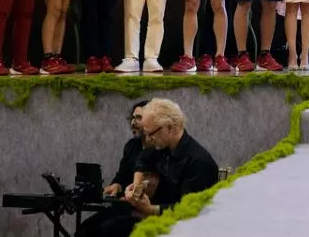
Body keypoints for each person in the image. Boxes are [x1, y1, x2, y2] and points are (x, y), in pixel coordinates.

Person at [94, 99, 219, 237]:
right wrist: (136, 186)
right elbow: (142, 160)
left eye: (150, 134)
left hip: (180, 227)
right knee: (96, 228)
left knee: (108, 231)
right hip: (156, 216)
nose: (147, 139)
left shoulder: (198, 162)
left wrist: (152, 209)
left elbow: (189, 210)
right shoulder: (162, 146)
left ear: (169, 128)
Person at [77, 100, 154, 236]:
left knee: (106, 230)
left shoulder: (160, 148)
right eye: (133, 117)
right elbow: (122, 175)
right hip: (124, 206)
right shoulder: (131, 146)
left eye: (139, 118)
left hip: (146, 211)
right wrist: (117, 185)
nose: (133, 122)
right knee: (85, 229)